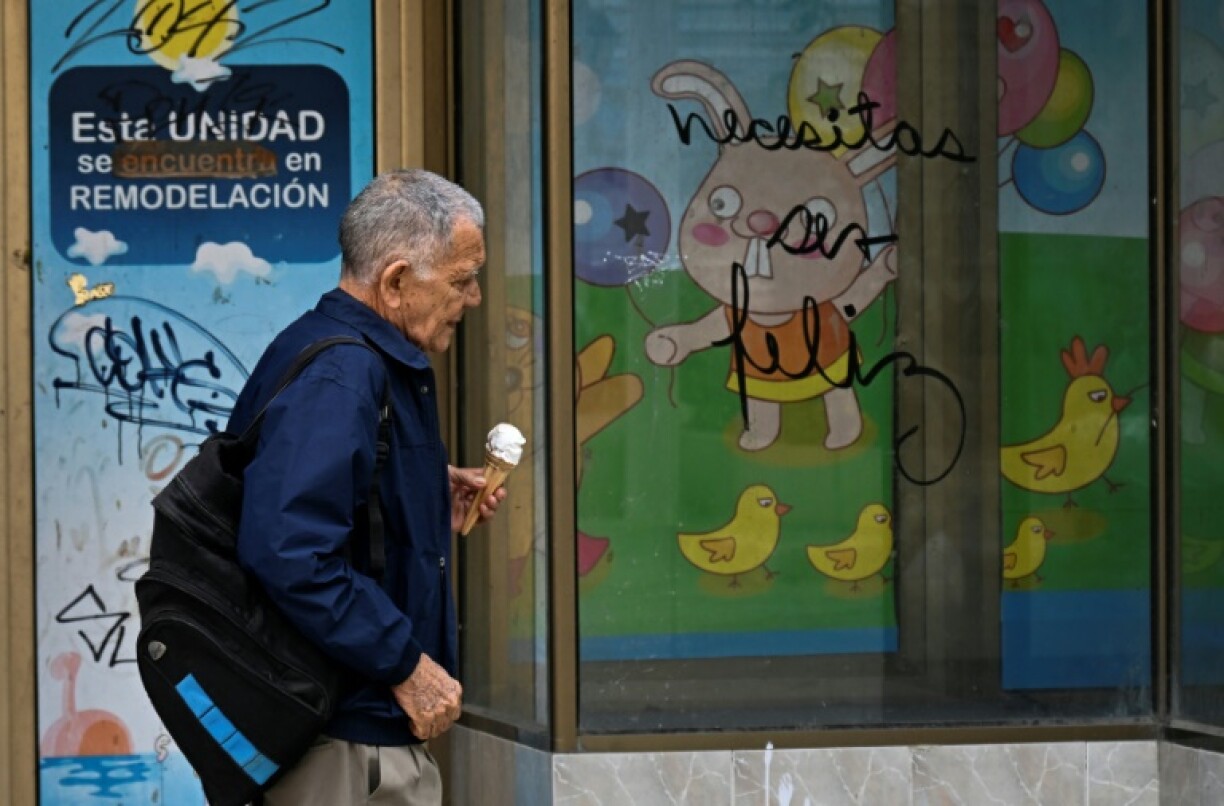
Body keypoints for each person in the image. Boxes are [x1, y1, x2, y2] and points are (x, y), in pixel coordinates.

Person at [225, 169, 506, 804]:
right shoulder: (344, 373)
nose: (476, 297)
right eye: (462, 280)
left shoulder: (352, 359)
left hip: (357, 735)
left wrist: (425, 487)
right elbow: (291, 550)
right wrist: (403, 664)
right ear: (397, 281)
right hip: (345, 745)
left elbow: (328, 496)